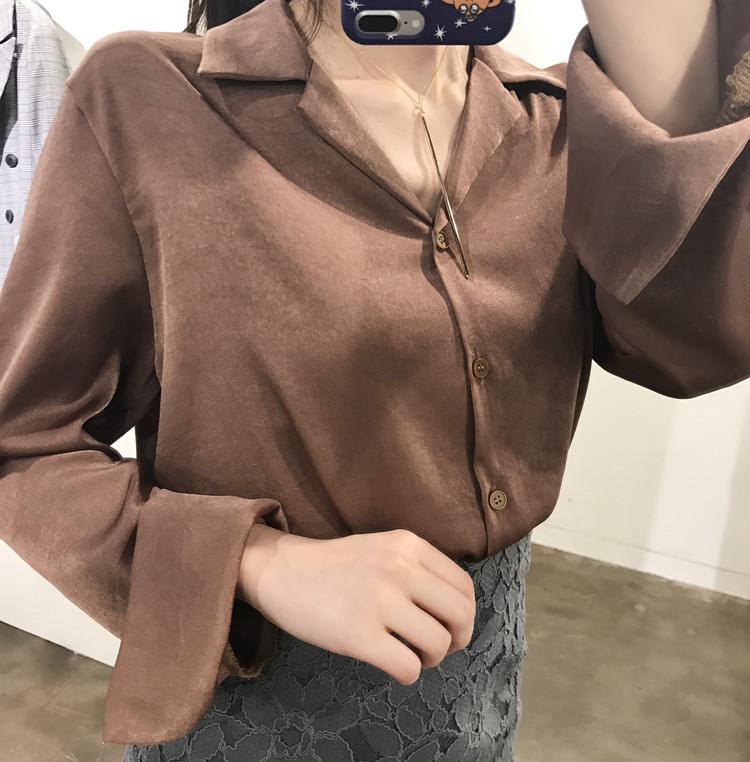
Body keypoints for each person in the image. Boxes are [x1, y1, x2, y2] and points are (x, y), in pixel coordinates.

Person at [0, 0, 749, 760]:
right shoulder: (148, 99)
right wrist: (258, 561)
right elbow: (21, 446)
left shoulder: (553, 124)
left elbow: (688, 341)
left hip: (482, 696)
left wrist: (667, 64)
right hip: (263, 716)